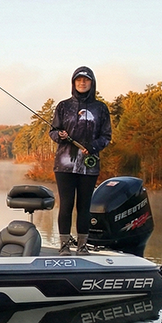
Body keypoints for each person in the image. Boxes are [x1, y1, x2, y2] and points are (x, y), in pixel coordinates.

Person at [49, 66, 112, 256]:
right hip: (64, 165)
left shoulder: (100, 108)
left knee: (84, 206)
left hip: (89, 166)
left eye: (86, 80)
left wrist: (92, 147)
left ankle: (83, 246)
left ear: (91, 83)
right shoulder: (63, 106)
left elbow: (106, 136)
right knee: (66, 205)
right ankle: (64, 245)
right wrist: (59, 135)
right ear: (74, 83)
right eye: (78, 80)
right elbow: (52, 131)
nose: (82, 83)